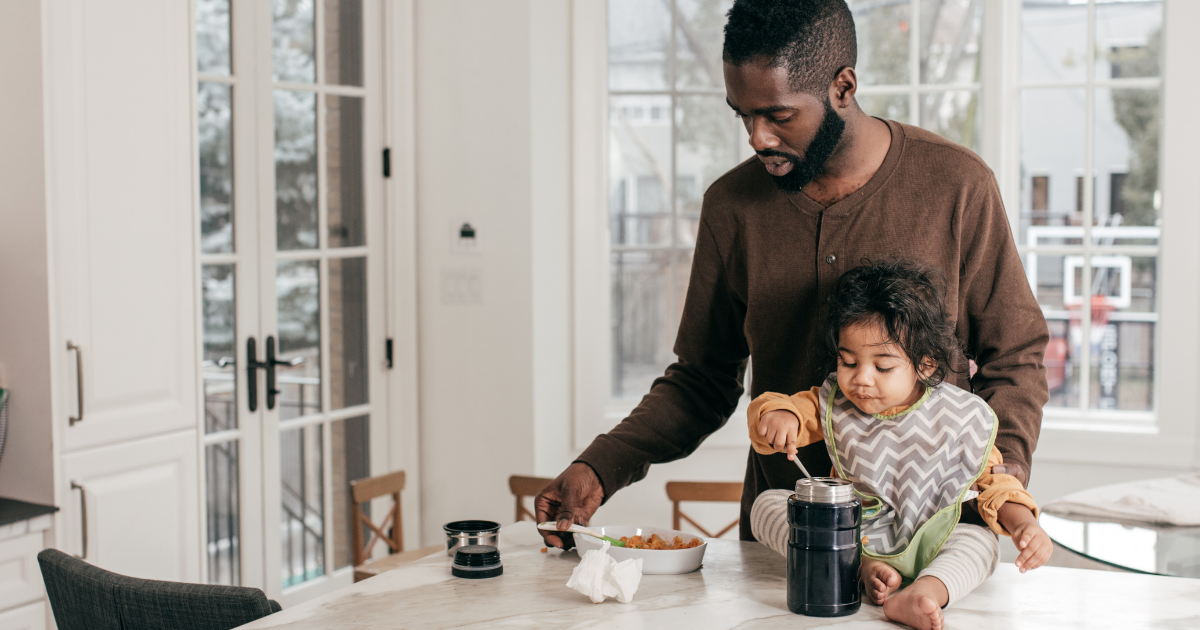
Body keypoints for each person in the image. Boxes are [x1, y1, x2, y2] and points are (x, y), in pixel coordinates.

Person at [536, 0, 1048, 552]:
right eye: (742, 114)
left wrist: (1001, 479)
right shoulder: (731, 205)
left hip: (932, 550)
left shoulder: (956, 185)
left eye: (778, 116)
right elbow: (702, 380)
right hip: (785, 543)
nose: (756, 137)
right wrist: (601, 465)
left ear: (843, 87)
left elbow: (1015, 357)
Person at [747, 260, 1050, 630]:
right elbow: (788, 407)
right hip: (852, 537)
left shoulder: (959, 417)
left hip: (934, 543)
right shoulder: (835, 402)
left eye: (883, 366)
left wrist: (1023, 527)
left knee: (979, 543)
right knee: (768, 505)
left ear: (924, 364)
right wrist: (779, 417)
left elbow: (997, 486)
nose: (861, 379)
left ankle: (925, 592)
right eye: (848, 362)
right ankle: (862, 567)